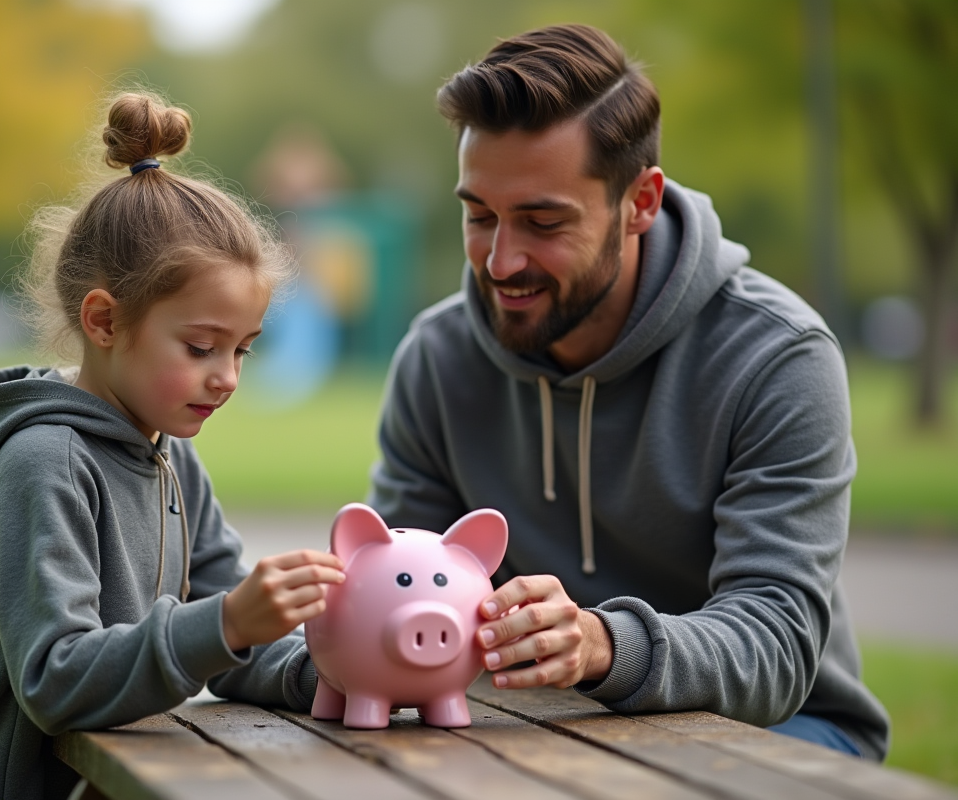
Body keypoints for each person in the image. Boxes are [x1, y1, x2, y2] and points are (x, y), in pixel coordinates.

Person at [367, 25, 890, 760]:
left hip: (783, 731)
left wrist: (601, 643)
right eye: (478, 215)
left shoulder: (778, 356)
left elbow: (775, 649)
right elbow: (393, 596)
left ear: (640, 202)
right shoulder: (437, 356)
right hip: (529, 725)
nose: (501, 259)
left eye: (543, 221)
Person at [0, 92, 345, 800]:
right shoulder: (41, 466)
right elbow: (57, 680)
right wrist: (227, 622)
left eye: (244, 351)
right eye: (201, 347)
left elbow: (223, 634)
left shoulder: (168, 451)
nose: (226, 377)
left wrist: (324, 675)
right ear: (104, 321)